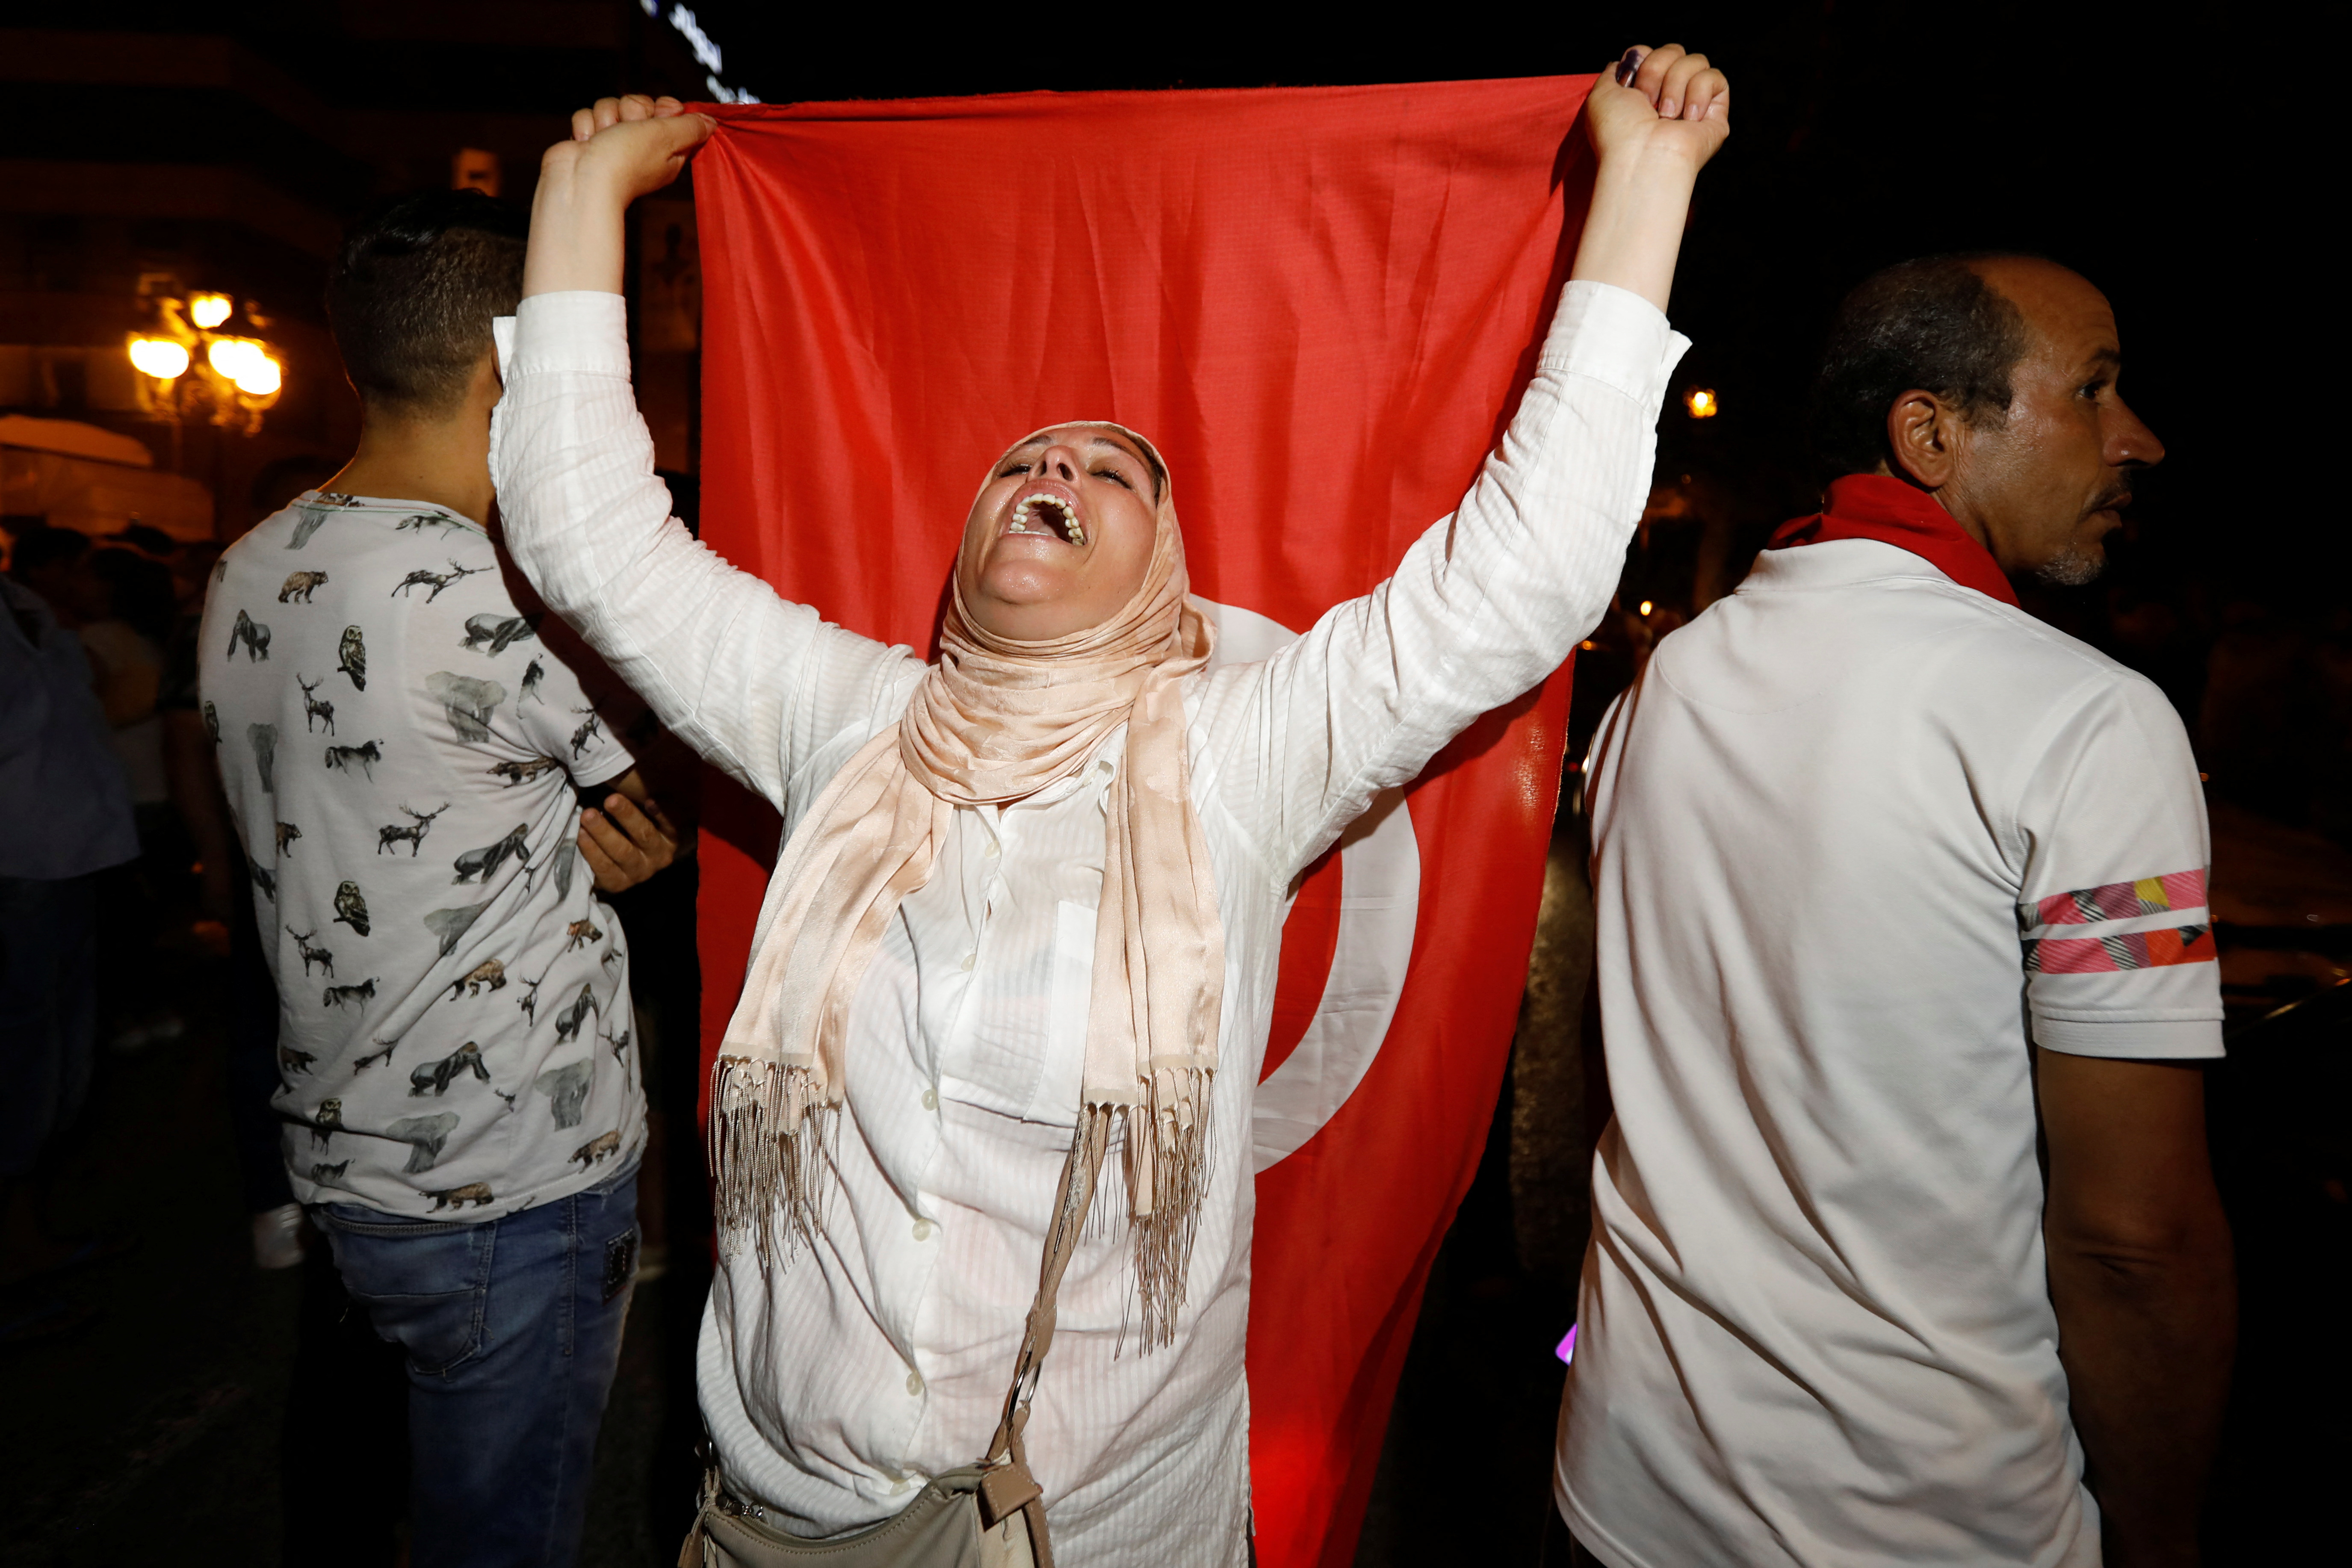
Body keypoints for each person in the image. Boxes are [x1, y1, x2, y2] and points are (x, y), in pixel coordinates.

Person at [498, 43, 1726, 1567]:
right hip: (783, 1502)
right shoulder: (842, 715)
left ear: (1162, 568)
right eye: (1024, 459)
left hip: (1096, 1520)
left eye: (1106, 469)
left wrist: (1647, 181)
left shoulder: (1238, 749)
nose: (1055, 463)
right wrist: (579, 195)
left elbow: (1520, 574)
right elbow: (585, 537)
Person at [1557, 254, 2236, 1568]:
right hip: (1917, 1524)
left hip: (1622, 1489)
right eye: (2090, 390)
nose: (2135, 436)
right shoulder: (2085, 723)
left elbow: (1632, 1081)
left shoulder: (1666, 686)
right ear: (1928, 433)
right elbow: (2134, 1241)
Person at [200, 189, 688, 1568]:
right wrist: (636, 834)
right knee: (503, 1537)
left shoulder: (248, 564)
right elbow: (665, 792)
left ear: (352, 357)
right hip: (512, 1174)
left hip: (344, 1157)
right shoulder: (498, 597)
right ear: (512, 366)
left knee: (372, 1498)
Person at [1, 539, 140, 1341]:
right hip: (18, 863)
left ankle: (25, 1238)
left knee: (54, 1056)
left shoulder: (29, 608)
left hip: (74, 854)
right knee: (21, 1054)